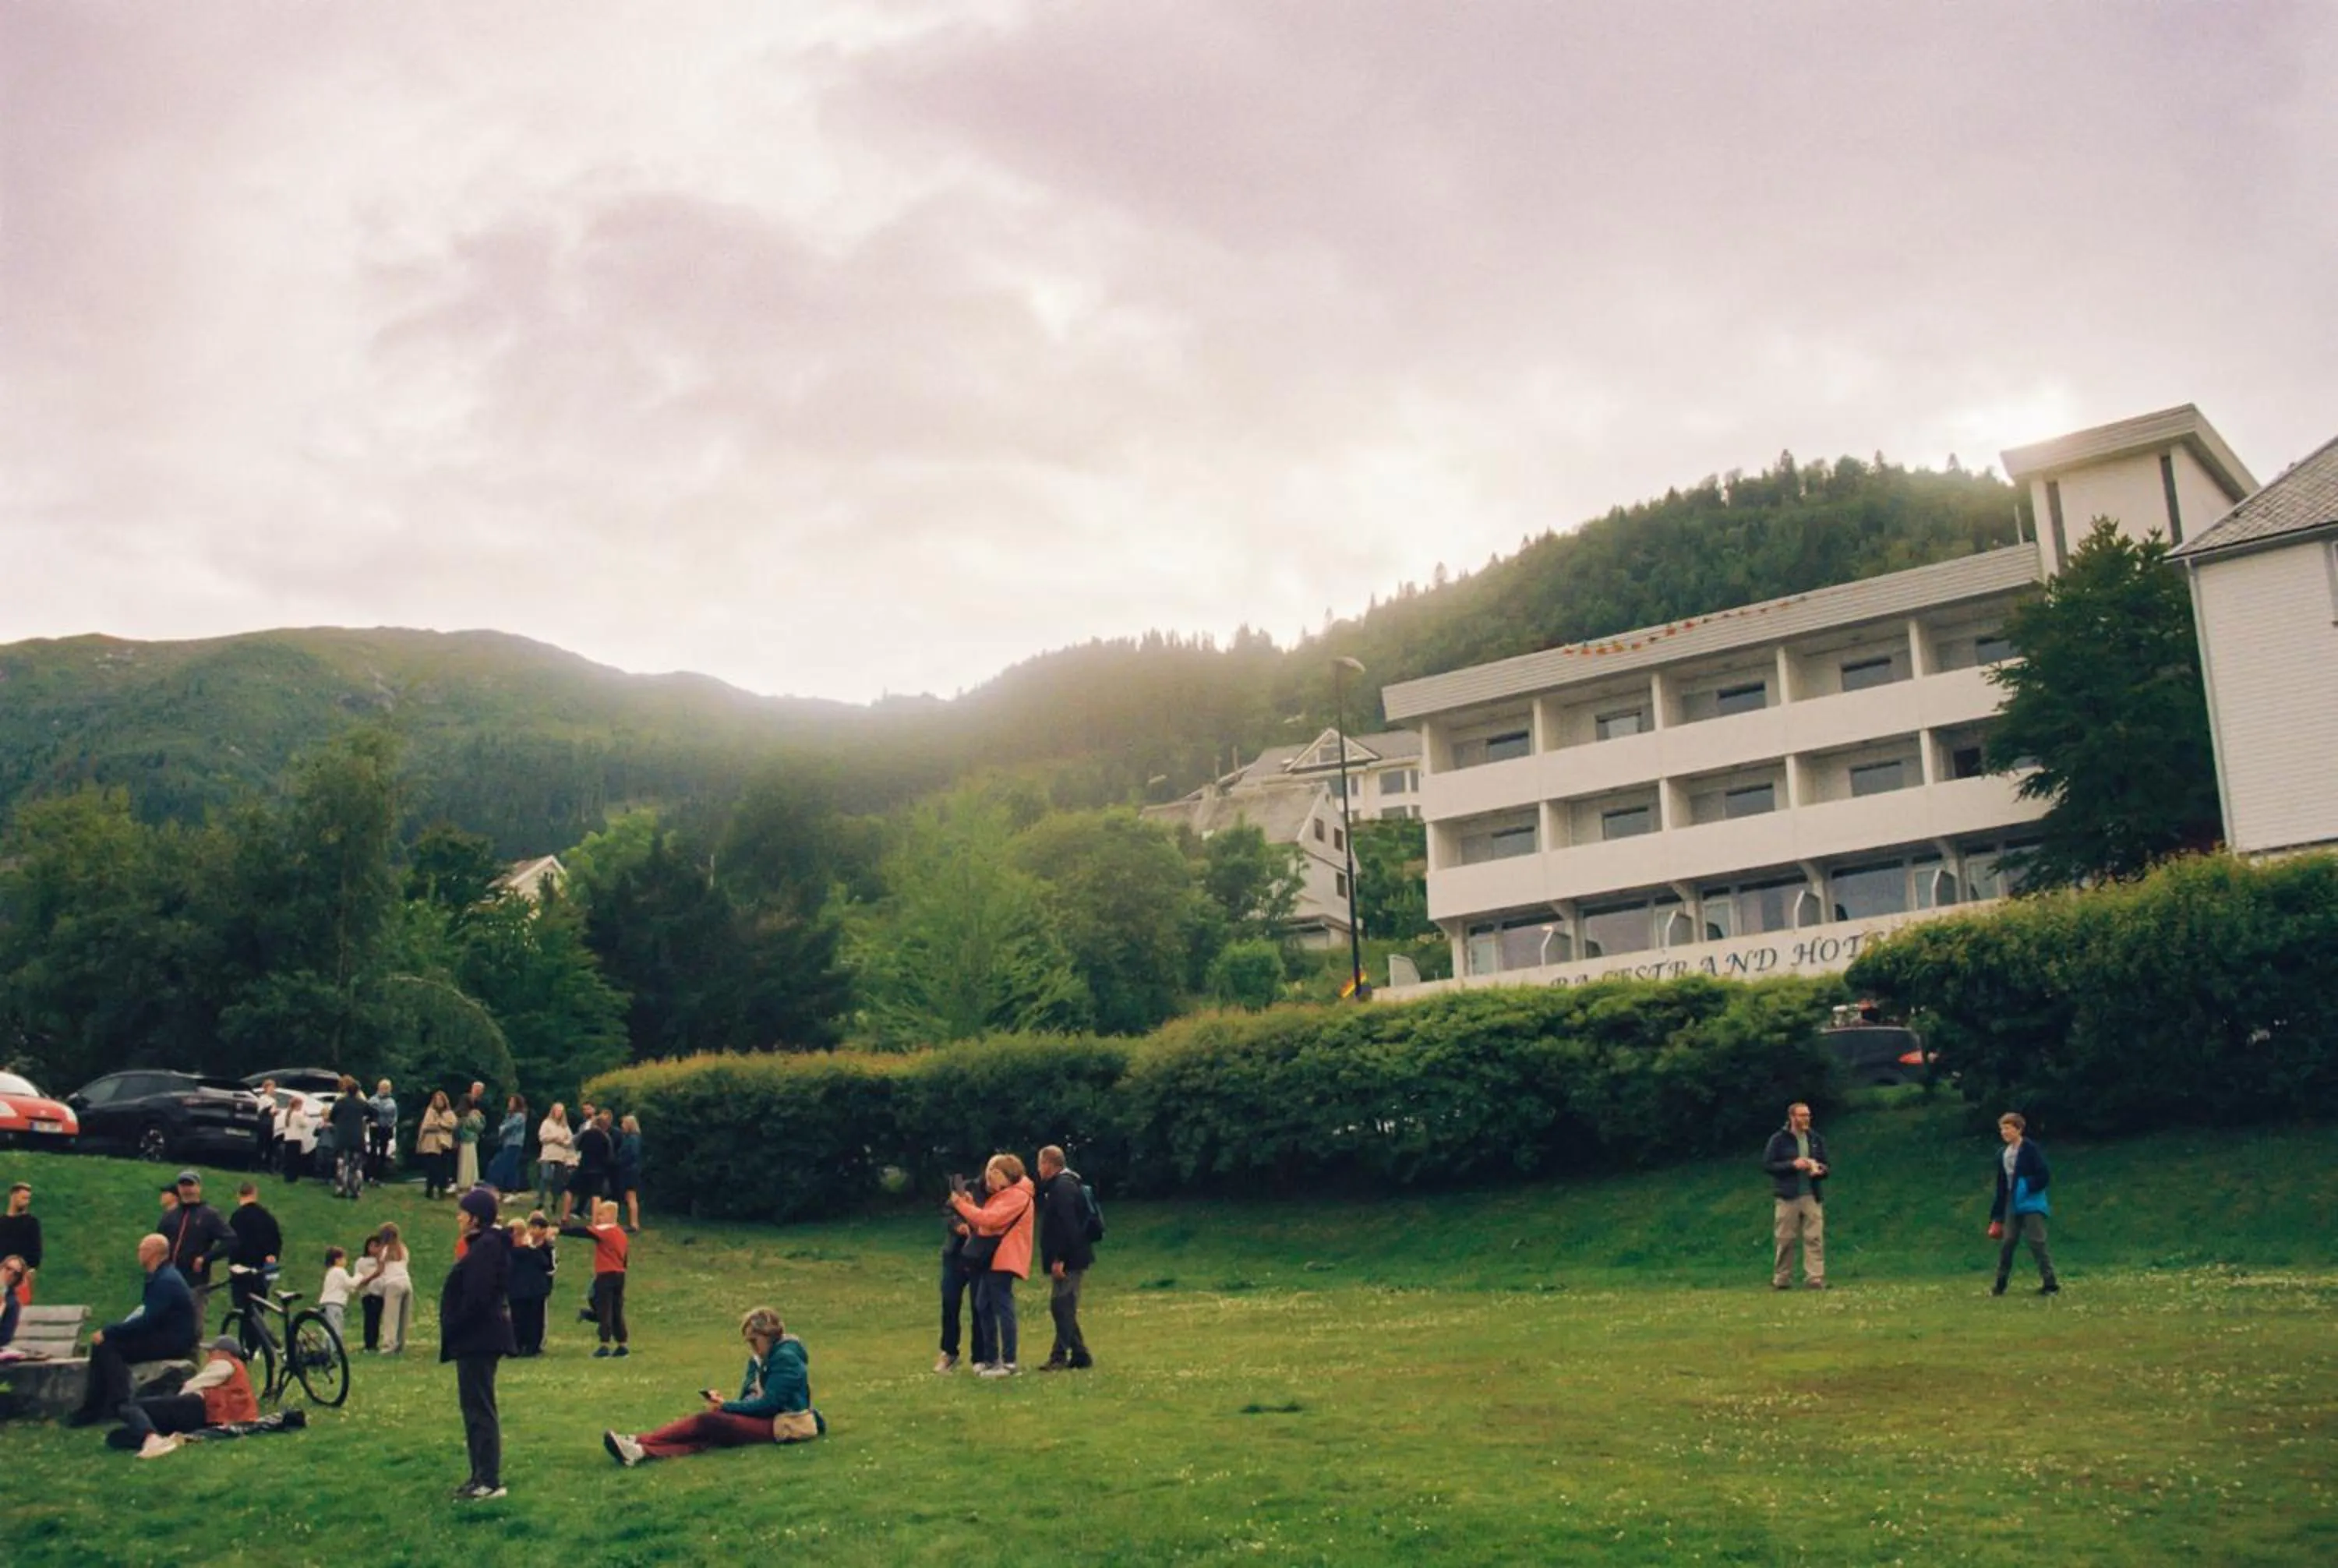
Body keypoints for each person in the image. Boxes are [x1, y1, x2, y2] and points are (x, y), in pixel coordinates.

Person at [602, 1305, 824, 1466]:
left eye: (754, 1341)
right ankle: (641, 1452)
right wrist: (729, 1404)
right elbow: (750, 1394)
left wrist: (727, 1408)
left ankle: (640, 1441)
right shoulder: (759, 1358)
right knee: (710, 1437)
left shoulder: (786, 1358)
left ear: (768, 1336)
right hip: (768, 1418)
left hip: (783, 1424)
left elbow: (770, 1404)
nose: (751, 1347)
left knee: (709, 1422)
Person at [69, 1234, 198, 1425]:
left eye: (141, 1249)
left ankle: (117, 1403)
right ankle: (101, 1406)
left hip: (172, 1341)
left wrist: (109, 1331)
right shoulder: (162, 1276)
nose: (138, 1253)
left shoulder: (166, 1281)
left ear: (152, 1253)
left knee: (107, 1346)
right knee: (106, 1346)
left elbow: (147, 1320)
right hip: (166, 1336)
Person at [442, 1186, 515, 1501]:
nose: (458, 1217)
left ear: (475, 1217)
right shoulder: (483, 1245)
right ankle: (478, 1476)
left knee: (479, 1409)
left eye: (463, 1211)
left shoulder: (486, 1247)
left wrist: (457, 1323)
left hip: (479, 1337)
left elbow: (478, 1295)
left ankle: (488, 1479)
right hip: (475, 1337)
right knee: (473, 1408)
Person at [107, 1334, 263, 1458]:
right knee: (117, 1437)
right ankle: (156, 1437)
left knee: (131, 1405)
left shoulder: (225, 1362)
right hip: (214, 1419)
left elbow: (193, 1385)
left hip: (201, 1409)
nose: (209, 1355)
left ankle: (152, 1438)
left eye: (212, 1351)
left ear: (221, 1352)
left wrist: (175, 1401)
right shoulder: (239, 1371)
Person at [948, 1153, 1036, 1378]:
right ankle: (991, 1358)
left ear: (1001, 1174)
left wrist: (960, 1204)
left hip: (1004, 1258)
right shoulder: (1007, 1194)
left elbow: (990, 1220)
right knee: (983, 1305)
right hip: (993, 1258)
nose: (988, 1182)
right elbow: (986, 1220)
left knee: (1002, 1306)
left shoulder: (1017, 1196)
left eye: (991, 1175)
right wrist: (969, 1205)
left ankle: (1008, 1362)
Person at [1034, 1145, 1097, 1372]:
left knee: (1061, 1305)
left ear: (1049, 1164)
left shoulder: (1062, 1188)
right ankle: (1080, 1354)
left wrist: (1060, 1258)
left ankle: (1060, 1356)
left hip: (1070, 1258)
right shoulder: (1069, 1184)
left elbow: (1067, 1226)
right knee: (1063, 1306)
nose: (1039, 1169)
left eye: (1040, 1164)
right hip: (1073, 1255)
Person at [1990, 1112, 2061, 1297]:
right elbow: (2001, 1185)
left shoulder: (2030, 1149)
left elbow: (2043, 1175)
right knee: (2008, 1243)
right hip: (2012, 1203)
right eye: (2002, 1129)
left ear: (2018, 1129)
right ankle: (2000, 1285)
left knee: (2037, 1242)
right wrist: (1997, 1217)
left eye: (2007, 1128)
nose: (2004, 1132)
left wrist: (2026, 1186)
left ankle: (2050, 1284)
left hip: (2030, 1202)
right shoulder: (2002, 1155)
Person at [1761, 1103, 1829, 1291]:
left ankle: (1815, 1278)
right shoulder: (1779, 1140)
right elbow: (1768, 1165)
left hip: (1811, 1195)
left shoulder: (1815, 1139)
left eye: (1808, 1115)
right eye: (1802, 1115)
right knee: (1785, 1239)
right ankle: (1782, 1279)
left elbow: (1826, 1164)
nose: (1806, 1119)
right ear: (1792, 1117)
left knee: (1814, 1237)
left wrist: (1820, 1170)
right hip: (1788, 1196)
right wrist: (1793, 1165)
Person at [561, 1198, 631, 1358]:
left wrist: (560, 1230)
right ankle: (622, 1343)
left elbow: (583, 1232)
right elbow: (625, 1258)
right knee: (617, 1309)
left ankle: (604, 1344)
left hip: (605, 1273)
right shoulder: (622, 1233)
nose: (598, 1218)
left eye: (601, 1214)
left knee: (604, 1307)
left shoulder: (605, 1231)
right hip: (620, 1274)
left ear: (609, 1215)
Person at [166, 1171, 235, 1330]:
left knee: (192, 1328)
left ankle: (192, 1355)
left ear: (198, 1188)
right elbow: (160, 1242)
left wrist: (205, 1258)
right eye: (183, 1185)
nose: (187, 1189)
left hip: (194, 1283)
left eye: (190, 1185)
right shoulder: (170, 1216)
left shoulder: (209, 1215)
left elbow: (231, 1240)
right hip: (169, 1281)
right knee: (167, 1326)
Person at [224, 1181, 282, 1328]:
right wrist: (272, 1255)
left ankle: (246, 1345)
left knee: (242, 1311)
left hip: (240, 1271)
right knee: (258, 1309)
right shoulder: (267, 1217)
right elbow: (276, 1241)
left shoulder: (237, 1217)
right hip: (261, 1270)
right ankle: (257, 1344)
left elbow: (232, 1243)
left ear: (239, 1195)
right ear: (255, 1194)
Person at [934, 1181, 976, 1374]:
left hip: (979, 1255)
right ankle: (949, 1352)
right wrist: (958, 1225)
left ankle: (981, 1356)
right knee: (950, 1301)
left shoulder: (998, 1193)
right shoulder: (965, 1187)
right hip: (955, 1254)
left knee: (979, 1305)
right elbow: (948, 1211)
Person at [358, 1222, 415, 1354]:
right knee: (403, 1317)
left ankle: (389, 1345)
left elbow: (380, 1270)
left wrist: (366, 1280)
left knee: (391, 1317)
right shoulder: (404, 1249)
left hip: (393, 1284)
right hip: (407, 1282)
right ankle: (400, 1345)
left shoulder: (384, 1250)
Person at [507, 1214, 554, 1356]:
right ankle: (526, 1346)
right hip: (529, 1290)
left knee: (523, 1319)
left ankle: (522, 1346)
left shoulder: (513, 1251)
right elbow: (547, 1265)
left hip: (525, 1290)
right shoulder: (531, 1250)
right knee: (528, 1320)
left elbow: (546, 1265)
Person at [568, 1110, 613, 1224]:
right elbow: (610, 1155)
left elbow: (576, 1144)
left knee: (570, 1189)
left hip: (584, 1166)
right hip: (599, 1169)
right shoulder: (606, 1137)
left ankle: (565, 1216)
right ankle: (594, 1221)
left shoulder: (586, 1133)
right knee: (596, 1195)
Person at [0, 1181, 40, 1305]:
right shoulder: (2, 1222)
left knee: (20, 1308)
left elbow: (35, 1248)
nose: (26, 1202)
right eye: (23, 1198)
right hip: (2, 1273)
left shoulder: (31, 1222)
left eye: (28, 1199)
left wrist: (31, 1269)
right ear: (13, 1196)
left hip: (21, 1274)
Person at [330, 1079, 370, 1199]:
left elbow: (332, 1116)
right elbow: (374, 1113)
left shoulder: (340, 1102)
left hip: (342, 1137)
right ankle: (355, 1190)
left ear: (347, 1090)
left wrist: (339, 1123)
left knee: (342, 1163)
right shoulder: (361, 1103)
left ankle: (341, 1188)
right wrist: (366, 1121)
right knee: (356, 1165)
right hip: (357, 1137)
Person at [418, 1091, 458, 1200]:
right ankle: (429, 1191)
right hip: (431, 1145)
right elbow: (426, 1126)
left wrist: (441, 1124)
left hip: (444, 1145)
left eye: (441, 1100)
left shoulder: (449, 1113)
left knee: (443, 1169)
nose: (439, 1102)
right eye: (437, 1100)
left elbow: (453, 1125)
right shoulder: (430, 1112)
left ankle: (441, 1191)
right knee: (432, 1169)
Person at [536, 1103, 576, 1214]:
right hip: (548, 1154)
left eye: (560, 1111)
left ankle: (554, 1202)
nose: (558, 1113)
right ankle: (541, 1200)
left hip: (560, 1156)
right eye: (557, 1111)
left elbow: (570, 1140)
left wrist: (563, 1142)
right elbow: (542, 1137)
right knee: (546, 1177)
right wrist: (554, 1138)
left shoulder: (565, 1126)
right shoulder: (547, 1123)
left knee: (558, 1181)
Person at [317, 1246, 363, 1341]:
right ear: (337, 1260)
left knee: (328, 1328)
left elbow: (346, 1288)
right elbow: (350, 1283)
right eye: (344, 1258)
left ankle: (328, 1349)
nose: (346, 1261)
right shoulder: (339, 1271)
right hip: (334, 1304)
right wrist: (359, 1276)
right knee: (335, 1329)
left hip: (327, 1303)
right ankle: (335, 1351)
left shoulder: (330, 1272)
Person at [487, 1096, 529, 1195]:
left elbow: (508, 1127)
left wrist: (502, 1129)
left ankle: (512, 1189)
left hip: (514, 1144)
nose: (509, 1104)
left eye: (512, 1102)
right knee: (500, 1164)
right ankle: (502, 1188)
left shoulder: (520, 1116)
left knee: (510, 1166)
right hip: (506, 1143)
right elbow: (503, 1127)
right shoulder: (509, 1115)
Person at [357, 1234, 387, 1352]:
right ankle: (369, 1344)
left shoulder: (381, 1261)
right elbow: (360, 1276)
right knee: (369, 1319)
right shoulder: (362, 1261)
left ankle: (375, 1343)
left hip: (380, 1294)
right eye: (374, 1246)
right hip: (368, 1293)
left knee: (376, 1319)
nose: (377, 1249)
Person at [615, 1114, 644, 1232]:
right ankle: (633, 1222)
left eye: (624, 1123)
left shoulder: (632, 1139)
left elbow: (631, 1154)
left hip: (630, 1170)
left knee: (631, 1196)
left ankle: (634, 1223)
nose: (622, 1126)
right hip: (631, 1169)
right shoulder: (633, 1138)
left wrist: (620, 1161)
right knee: (630, 1196)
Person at [367, 1079, 399, 1183]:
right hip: (374, 1128)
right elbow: (367, 1112)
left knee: (383, 1152)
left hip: (385, 1128)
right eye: (382, 1087)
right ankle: (371, 1175)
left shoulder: (391, 1102)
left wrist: (391, 1125)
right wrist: (370, 1121)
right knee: (372, 1151)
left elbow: (394, 1116)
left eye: (386, 1088)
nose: (384, 1090)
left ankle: (380, 1177)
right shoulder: (372, 1100)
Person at [454, 1094, 486, 1194]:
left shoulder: (458, 1114)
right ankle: (470, 1183)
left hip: (461, 1140)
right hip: (470, 1140)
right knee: (470, 1163)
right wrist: (481, 1117)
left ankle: (462, 1182)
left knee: (463, 1162)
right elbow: (479, 1127)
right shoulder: (471, 1115)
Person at [253, 1079, 280, 1173]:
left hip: (270, 1123)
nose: (273, 1089)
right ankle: (257, 1166)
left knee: (270, 1145)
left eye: (273, 1087)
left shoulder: (273, 1100)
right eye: (271, 1087)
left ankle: (267, 1166)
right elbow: (262, 1111)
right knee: (261, 1144)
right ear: (266, 1088)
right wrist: (272, 1110)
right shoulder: (263, 1098)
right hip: (264, 1122)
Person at [0, 1253, 26, 1348]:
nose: (10, 1274)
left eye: (16, 1274)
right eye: (8, 1268)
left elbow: (5, 1338)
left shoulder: (12, 1303)